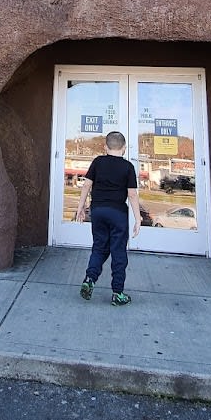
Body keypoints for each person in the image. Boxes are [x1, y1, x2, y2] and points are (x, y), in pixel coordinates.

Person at [73, 130, 141, 306]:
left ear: (105, 147)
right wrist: (138, 218)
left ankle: (89, 279)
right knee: (118, 251)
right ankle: (118, 293)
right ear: (124, 148)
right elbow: (132, 194)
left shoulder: (98, 162)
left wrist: (80, 207)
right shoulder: (128, 167)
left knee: (99, 247)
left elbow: (87, 184)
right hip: (117, 213)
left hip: (98, 211)